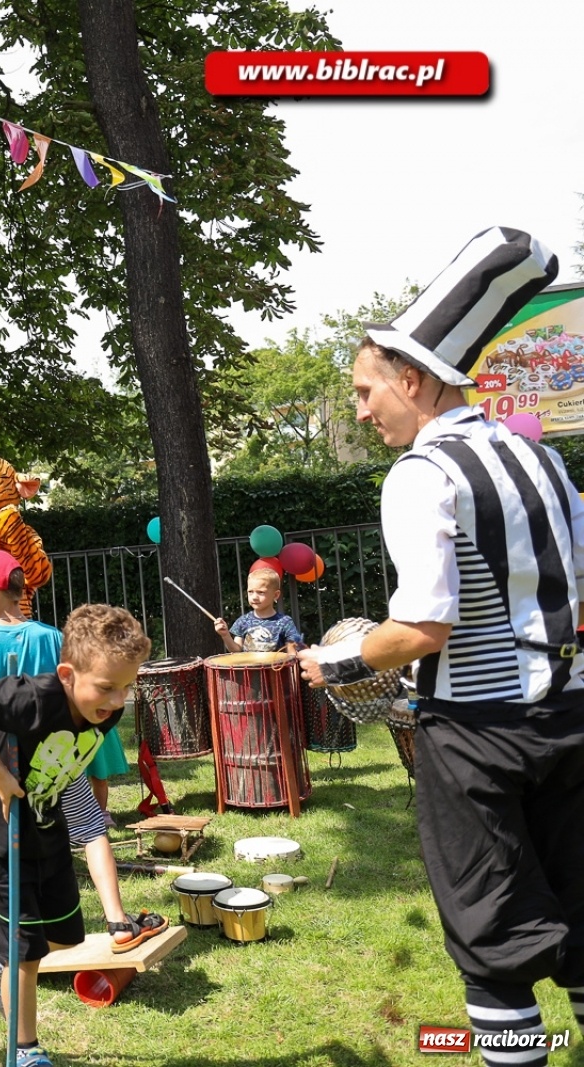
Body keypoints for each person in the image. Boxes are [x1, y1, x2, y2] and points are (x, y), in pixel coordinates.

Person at [298, 227, 584, 1067]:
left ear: (412, 379)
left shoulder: (422, 475)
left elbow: (424, 627)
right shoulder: (543, 458)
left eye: (364, 390)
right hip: (572, 718)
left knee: (490, 937)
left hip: (475, 737)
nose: (359, 409)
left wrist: (336, 662)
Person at [0, 602, 153, 1067]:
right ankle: (25, 1050)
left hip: (44, 825)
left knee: (64, 939)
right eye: (106, 688)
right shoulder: (33, 696)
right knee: (25, 952)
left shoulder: (104, 710)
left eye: (126, 688)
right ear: (67, 673)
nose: (118, 701)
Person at [214, 567, 303, 653]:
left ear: (276, 595)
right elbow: (236, 650)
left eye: (261, 592)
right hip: (248, 668)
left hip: (276, 668)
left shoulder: (285, 622)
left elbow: (292, 654)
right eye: (250, 592)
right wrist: (225, 635)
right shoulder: (243, 621)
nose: (254, 597)